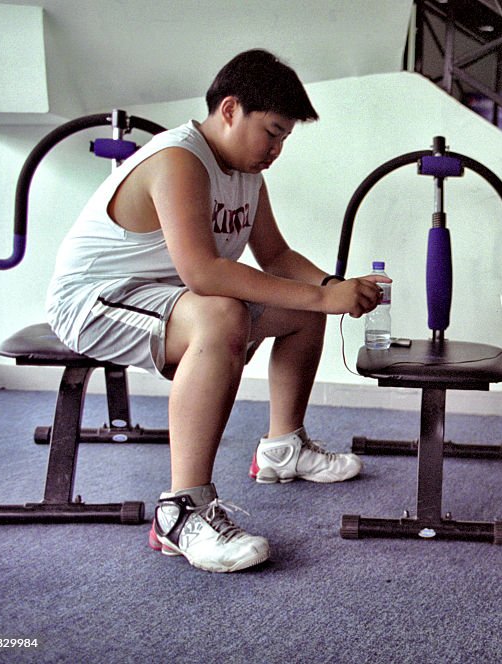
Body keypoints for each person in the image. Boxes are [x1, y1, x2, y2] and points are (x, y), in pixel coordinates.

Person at [46, 49, 388, 573]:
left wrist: (332, 287)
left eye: (284, 139)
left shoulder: (247, 173)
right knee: (223, 313)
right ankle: (181, 513)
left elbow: (276, 257)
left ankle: (283, 448)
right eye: (271, 132)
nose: (276, 149)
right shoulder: (178, 159)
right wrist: (322, 294)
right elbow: (203, 273)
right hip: (93, 300)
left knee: (300, 311)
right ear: (230, 109)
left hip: (169, 299)